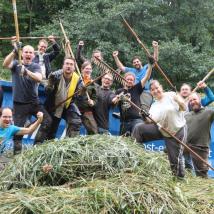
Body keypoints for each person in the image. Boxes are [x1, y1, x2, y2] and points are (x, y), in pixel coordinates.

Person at [2, 44, 52, 152]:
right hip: (19, 104)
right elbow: (5, 64)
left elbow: (39, 78)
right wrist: (14, 51)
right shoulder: (15, 64)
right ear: (22, 54)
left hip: (34, 102)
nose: (28, 54)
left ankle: (36, 148)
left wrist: (26, 72)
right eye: (26, 52)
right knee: (18, 132)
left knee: (47, 121)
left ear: (33, 55)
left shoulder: (35, 66)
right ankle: (17, 156)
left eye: (30, 52)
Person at [132, 80, 187, 178]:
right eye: (152, 90)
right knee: (139, 128)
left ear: (161, 87)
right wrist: (144, 116)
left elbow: (184, 107)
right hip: (163, 130)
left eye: (157, 88)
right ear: (151, 92)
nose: (155, 91)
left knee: (175, 160)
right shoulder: (154, 105)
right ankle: (134, 153)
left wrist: (178, 99)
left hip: (177, 131)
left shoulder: (171, 95)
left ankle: (179, 179)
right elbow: (150, 121)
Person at [112, 57, 153, 136]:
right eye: (128, 79)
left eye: (131, 80)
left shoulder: (137, 88)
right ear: (124, 80)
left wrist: (150, 65)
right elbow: (113, 102)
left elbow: (147, 77)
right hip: (124, 122)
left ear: (134, 81)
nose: (129, 81)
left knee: (136, 140)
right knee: (123, 144)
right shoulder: (119, 91)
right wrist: (119, 96)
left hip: (136, 120)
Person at [180, 81, 214, 170]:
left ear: (191, 91)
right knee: (186, 162)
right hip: (185, 138)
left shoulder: (198, 102)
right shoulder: (179, 103)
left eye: (186, 89)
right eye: (182, 89)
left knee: (200, 168)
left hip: (198, 142)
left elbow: (211, 98)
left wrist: (205, 87)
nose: (184, 91)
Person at [45, 57, 82, 139]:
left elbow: (80, 96)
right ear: (63, 65)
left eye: (71, 64)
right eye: (67, 64)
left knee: (75, 121)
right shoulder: (55, 76)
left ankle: (71, 141)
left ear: (74, 67)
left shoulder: (78, 79)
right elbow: (47, 92)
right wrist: (50, 84)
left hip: (67, 107)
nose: (69, 66)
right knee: (50, 131)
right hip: (53, 107)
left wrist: (81, 91)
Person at [185, 92, 214, 178]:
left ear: (200, 99)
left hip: (200, 147)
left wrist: (205, 88)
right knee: (169, 152)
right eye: (190, 100)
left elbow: (212, 97)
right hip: (185, 145)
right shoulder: (187, 115)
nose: (193, 102)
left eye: (194, 99)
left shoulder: (209, 112)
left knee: (201, 175)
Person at [75, 61, 98, 134]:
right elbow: (72, 94)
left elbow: (95, 98)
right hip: (75, 109)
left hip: (87, 110)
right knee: (73, 131)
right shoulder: (76, 79)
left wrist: (93, 102)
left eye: (90, 69)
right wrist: (81, 91)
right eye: (86, 68)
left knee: (94, 131)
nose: (88, 70)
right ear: (82, 69)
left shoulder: (93, 84)